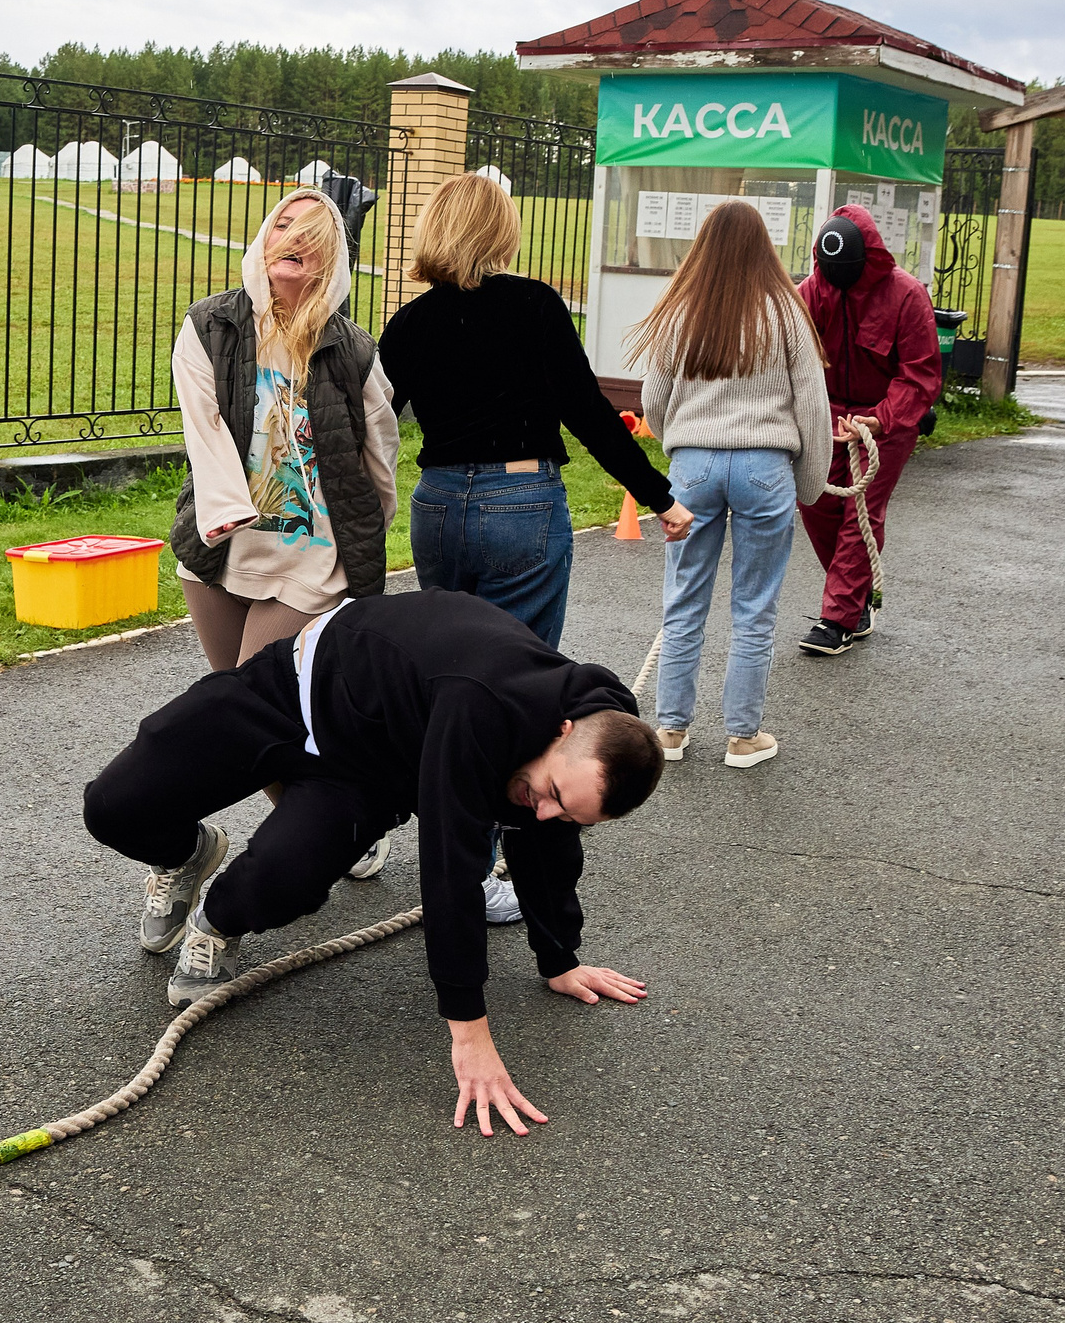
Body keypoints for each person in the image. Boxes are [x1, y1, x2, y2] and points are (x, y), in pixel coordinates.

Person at [82, 590, 662, 1136]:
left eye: (570, 813)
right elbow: (449, 872)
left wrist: (559, 958)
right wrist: (471, 1037)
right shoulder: (481, 706)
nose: (546, 813)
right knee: (115, 806)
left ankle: (219, 920)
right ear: (560, 733)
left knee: (285, 876)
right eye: (553, 792)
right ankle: (185, 855)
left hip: (368, 770)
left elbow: (550, 844)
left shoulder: (609, 738)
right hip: (296, 688)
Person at [379, 173, 689, 924]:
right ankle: (477, 869)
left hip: (438, 504)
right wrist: (659, 497)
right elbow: (587, 411)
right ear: (502, 233)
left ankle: (397, 821)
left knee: (447, 672)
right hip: (523, 504)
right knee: (506, 688)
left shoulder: (406, 325)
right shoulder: (534, 307)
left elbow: (374, 428)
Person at [171, 186, 401, 875]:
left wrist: (359, 536)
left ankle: (317, 836)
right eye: (281, 229)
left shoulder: (350, 348)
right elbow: (202, 426)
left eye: (308, 238)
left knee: (251, 703)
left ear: (329, 258)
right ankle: (333, 822)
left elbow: (378, 454)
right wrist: (220, 512)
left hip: (310, 559)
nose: (289, 243)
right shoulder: (210, 325)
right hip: (221, 550)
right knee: (252, 718)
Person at [630, 200, 832, 766]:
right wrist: (810, 485)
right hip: (766, 468)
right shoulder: (787, 312)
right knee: (755, 604)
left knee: (684, 596)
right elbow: (812, 405)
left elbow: (654, 399)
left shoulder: (682, 311)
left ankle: (670, 729)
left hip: (693, 465)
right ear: (762, 246)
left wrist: (683, 442)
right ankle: (743, 737)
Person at [793, 205, 941, 656]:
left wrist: (880, 418)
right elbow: (793, 363)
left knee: (861, 513)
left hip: (886, 421)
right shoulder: (808, 292)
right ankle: (853, 601)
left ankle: (836, 619)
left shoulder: (907, 295)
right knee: (815, 502)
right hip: (826, 417)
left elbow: (919, 373)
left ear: (868, 259)